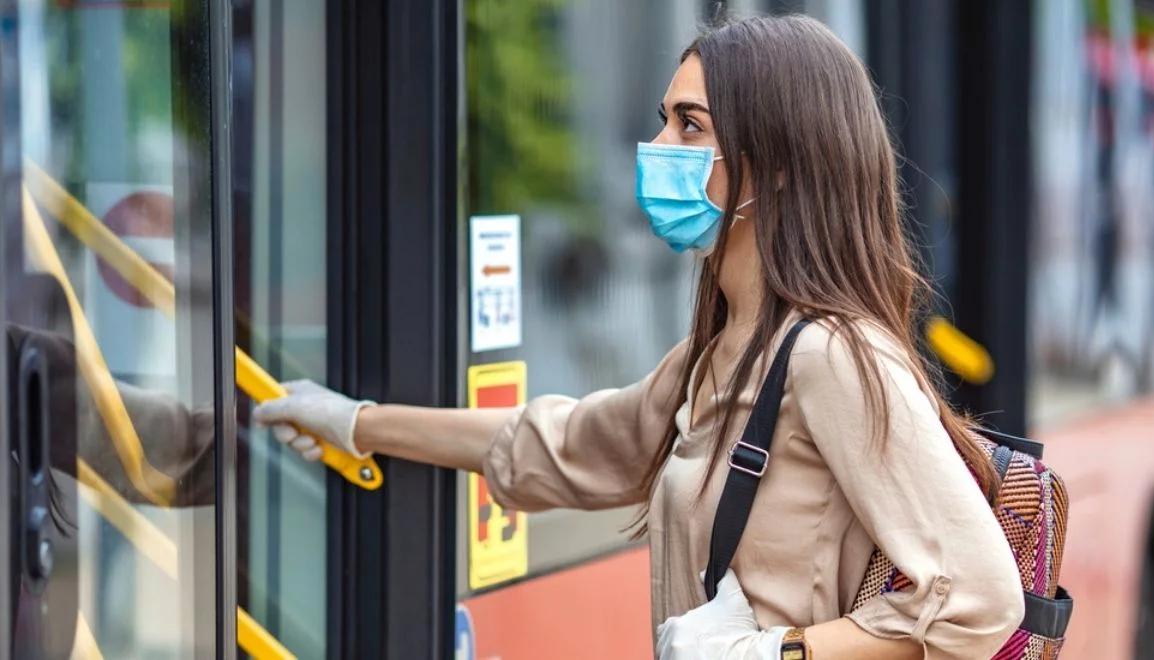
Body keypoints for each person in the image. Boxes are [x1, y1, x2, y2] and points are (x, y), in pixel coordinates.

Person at [254, 14, 1024, 660]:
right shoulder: (720, 353)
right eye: (665, 117)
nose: (658, 145)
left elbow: (983, 596)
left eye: (690, 125)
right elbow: (565, 444)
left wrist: (779, 651)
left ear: (779, 164)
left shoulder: (831, 356)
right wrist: (354, 423)